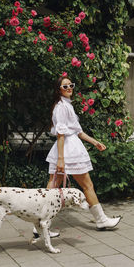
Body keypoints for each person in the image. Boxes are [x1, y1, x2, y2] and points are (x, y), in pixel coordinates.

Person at [33, 76, 121, 238]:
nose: (69, 88)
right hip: (68, 150)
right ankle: (101, 220)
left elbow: (78, 131)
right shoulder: (61, 107)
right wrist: (61, 158)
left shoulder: (66, 105)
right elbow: (61, 134)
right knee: (85, 185)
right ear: (58, 89)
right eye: (65, 86)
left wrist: (95, 142)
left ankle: (39, 225)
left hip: (70, 147)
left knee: (52, 188)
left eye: (71, 85)